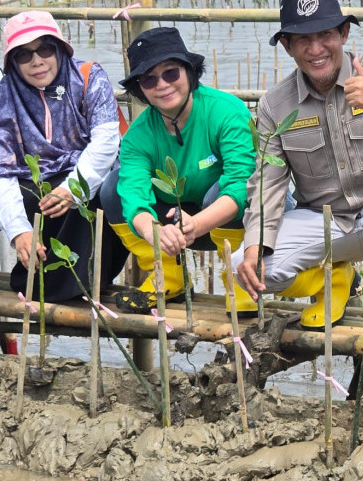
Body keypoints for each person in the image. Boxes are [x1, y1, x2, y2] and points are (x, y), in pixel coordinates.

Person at [233, 0, 363, 332]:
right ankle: (334, 280)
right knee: (241, 268)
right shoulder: (275, 105)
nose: (316, 49)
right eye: (302, 39)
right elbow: (267, 184)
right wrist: (255, 247)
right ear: (287, 46)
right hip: (326, 225)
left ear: (343, 33)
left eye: (325, 34)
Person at [100, 27, 258, 317]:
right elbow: (134, 197)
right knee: (111, 188)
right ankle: (167, 277)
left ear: (190, 72)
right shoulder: (137, 136)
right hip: (173, 225)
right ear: (140, 89)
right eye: (149, 79)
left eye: (170, 73)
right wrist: (153, 233)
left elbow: (240, 185)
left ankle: (240, 280)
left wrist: (195, 224)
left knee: (225, 191)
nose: (162, 85)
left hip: (223, 216)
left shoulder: (227, 111)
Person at [0, 11, 127, 302]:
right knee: (31, 199)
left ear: (59, 49)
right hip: (34, 178)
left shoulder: (88, 78)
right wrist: (19, 230)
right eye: (23, 55)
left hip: (87, 173)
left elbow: (106, 142)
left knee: (95, 197)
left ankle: (89, 284)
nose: (37, 61)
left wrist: (72, 190)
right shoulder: (4, 97)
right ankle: (35, 281)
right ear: (13, 63)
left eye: (44, 49)